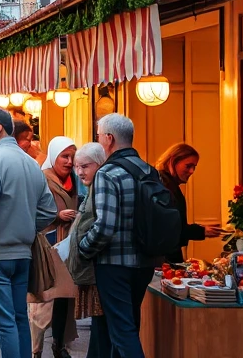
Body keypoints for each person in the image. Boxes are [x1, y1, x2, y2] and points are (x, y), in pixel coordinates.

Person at [0, 108, 57, 358]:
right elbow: (49, 211)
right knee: (18, 319)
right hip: (21, 253)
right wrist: (25, 226)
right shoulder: (29, 162)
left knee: (5, 324)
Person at [78, 114, 157, 358]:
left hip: (114, 264)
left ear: (109, 139)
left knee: (122, 331)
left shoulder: (108, 173)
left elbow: (105, 226)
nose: (99, 140)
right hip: (144, 262)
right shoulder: (148, 170)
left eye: (99, 135)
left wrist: (83, 247)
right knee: (129, 324)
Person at [29, 137, 79, 358]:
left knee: (65, 300)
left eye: (72, 157)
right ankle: (35, 349)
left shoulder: (76, 181)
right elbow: (32, 211)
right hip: (47, 246)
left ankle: (60, 344)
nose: (69, 162)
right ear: (54, 157)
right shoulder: (42, 179)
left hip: (69, 247)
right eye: (64, 156)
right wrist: (57, 216)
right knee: (44, 299)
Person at [68, 143, 112, 358]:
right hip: (93, 268)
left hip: (100, 269)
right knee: (99, 323)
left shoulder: (101, 188)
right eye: (77, 167)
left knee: (102, 323)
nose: (79, 172)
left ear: (100, 164)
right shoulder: (92, 188)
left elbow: (102, 226)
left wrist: (84, 249)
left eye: (84, 166)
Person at [156, 143, 220, 263]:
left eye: (194, 167)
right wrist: (199, 231)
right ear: (173, 161)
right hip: (163, 258)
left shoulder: (168, 184)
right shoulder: (163, 186)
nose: (192, 171)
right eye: (188, 166)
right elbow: (167, 228)